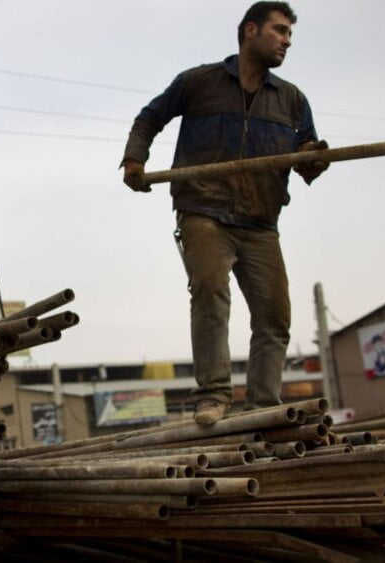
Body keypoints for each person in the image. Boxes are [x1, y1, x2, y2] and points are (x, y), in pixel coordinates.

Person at [120, 2, 328, 425]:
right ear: (251, 31)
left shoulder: (291, 100)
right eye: (279, 31)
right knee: (211, 295)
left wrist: (313, 157)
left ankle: (263, 409)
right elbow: (149, 118)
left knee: (274, 318)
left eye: (290, 35)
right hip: (204, 211)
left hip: (260, 223)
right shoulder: (200, 82)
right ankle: (212, 397)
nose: (286, 41)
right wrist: (134, 162)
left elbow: (307, 155)